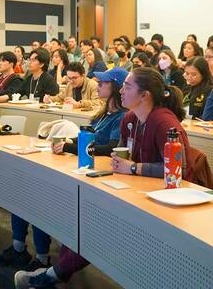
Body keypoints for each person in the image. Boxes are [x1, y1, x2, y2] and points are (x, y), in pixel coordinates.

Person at [14, 68, 129, 288]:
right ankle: (48, 267)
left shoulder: (121, 117)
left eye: (103, 83)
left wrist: (71, 146)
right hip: (86, 171)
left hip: (98, 177)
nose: (99, 86)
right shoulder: (103, 113)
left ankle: (50, 270)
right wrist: (69, 145)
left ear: (114, 87)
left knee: (79, 223)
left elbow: (110, 148)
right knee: (37, 195)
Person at [112, 67, 189, 178]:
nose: (121, 91)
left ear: (144, 95)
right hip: (138, 183)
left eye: (127, 87)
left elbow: (177, 168)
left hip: (171, 190)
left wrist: (133, 167)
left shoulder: (165, 123)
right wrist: (117, 160)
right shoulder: (129, 118)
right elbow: (121, 149)